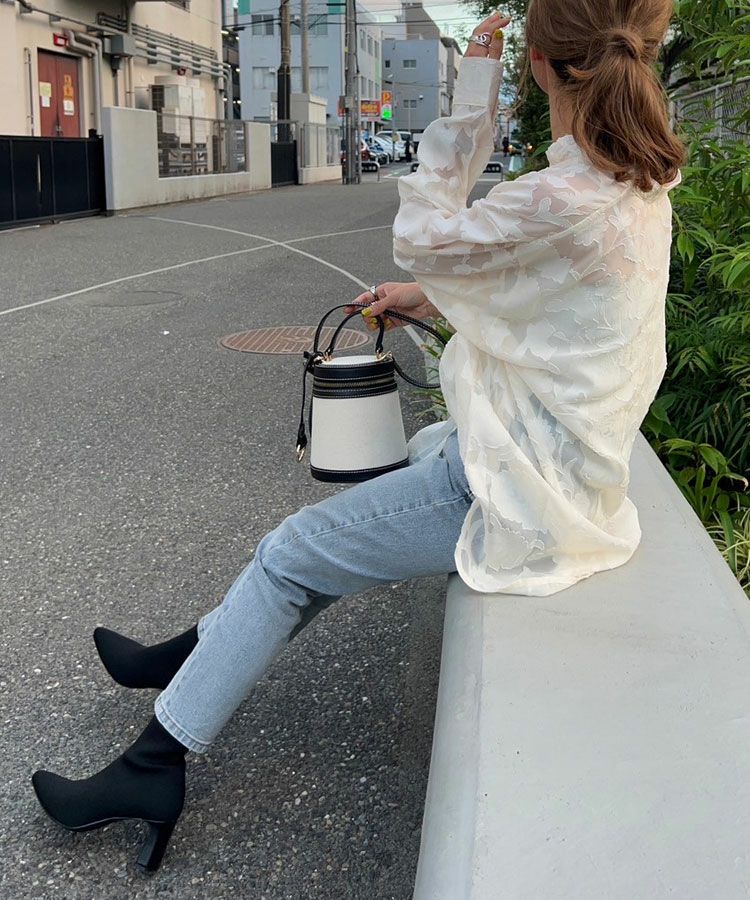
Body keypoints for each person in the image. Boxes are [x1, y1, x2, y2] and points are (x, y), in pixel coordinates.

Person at [31, 0, 685, 872]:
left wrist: (471, 92)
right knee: (327, 544)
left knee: (289, 552)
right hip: (555, 462)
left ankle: (153, 766)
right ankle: (192, 656)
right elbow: (550, 289)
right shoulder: (630, 180)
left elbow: (420, 233)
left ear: (538, 64)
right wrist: (430, 298)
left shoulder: (561, 194)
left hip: (515, 487)